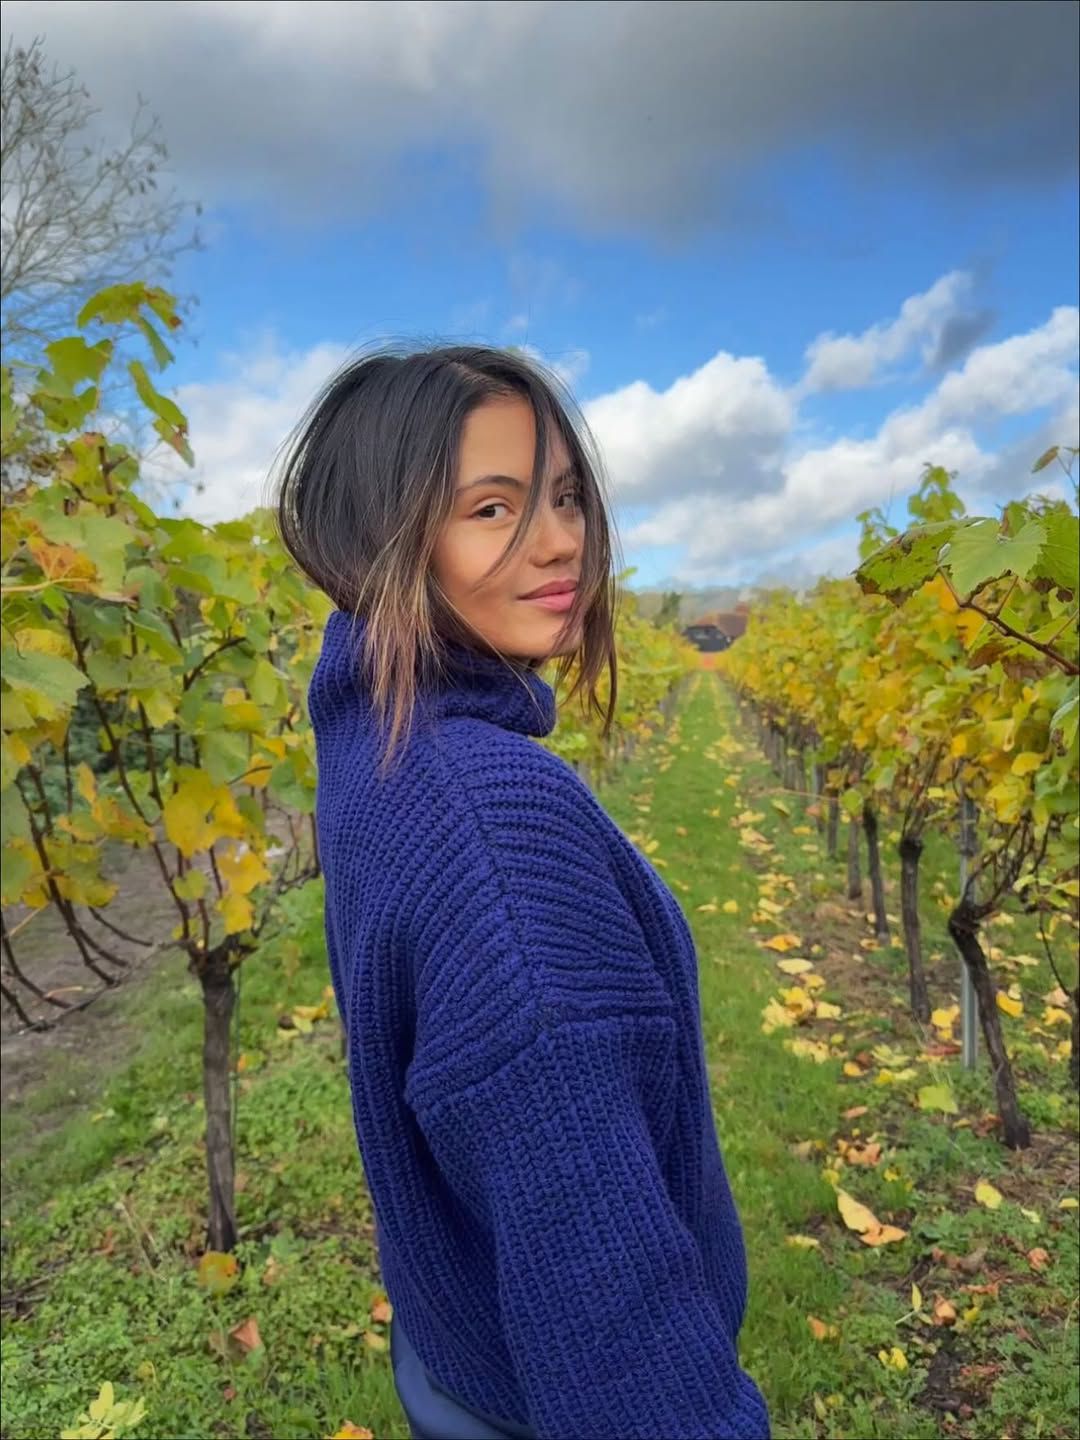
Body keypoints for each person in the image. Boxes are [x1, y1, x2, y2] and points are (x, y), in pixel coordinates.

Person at [273, 343, 771, 1440]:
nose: (561, 541)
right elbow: (613, 1316)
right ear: (382, 543)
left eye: (566, 497)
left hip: (461, 1342)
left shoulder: (375, 743)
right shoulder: (495, 825)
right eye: (492, 508)